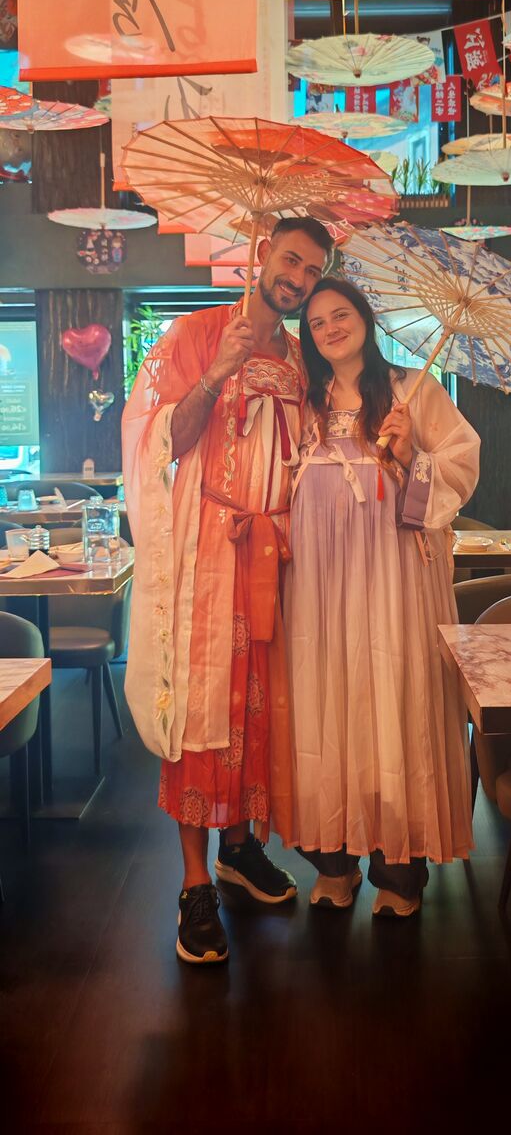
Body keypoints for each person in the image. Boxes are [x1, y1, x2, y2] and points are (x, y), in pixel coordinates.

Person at [122, 217, 334, 965]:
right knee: (200, 708)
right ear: (261, 254)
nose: (298, 280)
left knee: (259, 702)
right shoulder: (196, 333)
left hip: (276, 551)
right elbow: (161, 443)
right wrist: (215, 375)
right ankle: (192, 883)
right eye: (291, 261)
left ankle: (239, 850)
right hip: (208, 547)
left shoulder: (304, 358)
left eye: (313, 271)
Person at [283, 278, 480, 917]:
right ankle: (332, 861)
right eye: (317, 322)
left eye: (341, 314)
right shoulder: (302, 403)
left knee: (394, 698)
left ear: (365, 319)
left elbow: (460, 471)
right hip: (318, 582)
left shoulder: (411, 390)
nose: (330, 329)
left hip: (394, 577)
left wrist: (409, 452)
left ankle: (398, 871)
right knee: (327, 701)